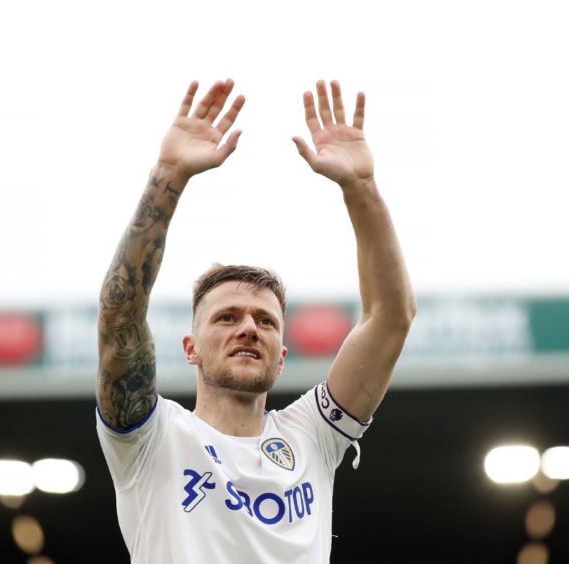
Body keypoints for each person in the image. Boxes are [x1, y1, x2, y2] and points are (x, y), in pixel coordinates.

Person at [95, 78, 416, 564]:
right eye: (226, 317)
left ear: (282, 356)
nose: (249, 327)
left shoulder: (311, 434)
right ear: (191, 348)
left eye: (266, 322)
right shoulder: (151, 436)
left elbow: (390, 317)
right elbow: (121, 312)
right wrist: (169, 176)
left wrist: (361, 188)